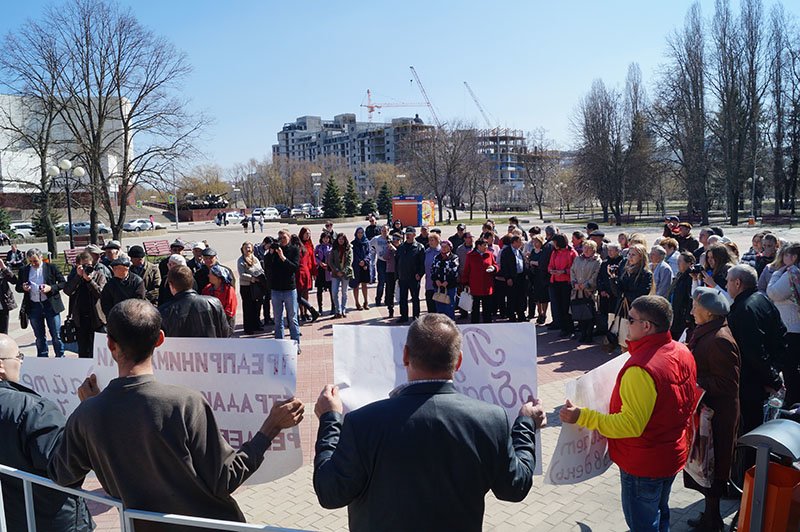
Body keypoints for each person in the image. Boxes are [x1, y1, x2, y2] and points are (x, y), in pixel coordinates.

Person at [48, 299, 304, 532]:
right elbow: (225, 479)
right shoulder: (184, 403)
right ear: (160, 339)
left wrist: (90, 412)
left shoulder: (87, 413)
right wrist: (270, 427)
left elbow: (62, 474)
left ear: (111, 344)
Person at [313, 314, 545, 532]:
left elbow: (330, 493)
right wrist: (525, 424)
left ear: (405, 355)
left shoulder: (362, 423)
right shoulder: (491, 419)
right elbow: (514, 488)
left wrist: (330, 419)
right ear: (459, 361)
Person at [560, 295, 697, 532]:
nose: (625, 322)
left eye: (630, 319)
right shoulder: (681, 350)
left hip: (644, 463)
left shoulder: (642, 368)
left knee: (643, 524)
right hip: (670, 453)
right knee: (660, 512)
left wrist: (582, 416)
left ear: (646, 326)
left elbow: (631, 425)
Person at [0, 335, 93, 531]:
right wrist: (89, 410)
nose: (21, 361)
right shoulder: (33, 410)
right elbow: (68, 470)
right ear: (1, 366)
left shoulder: (28, 409)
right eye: (19, 356)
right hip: (52, 520)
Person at [685, 287, 740, 532]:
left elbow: (728, 384)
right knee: (707, 466)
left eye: (695, 307)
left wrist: (695, 381)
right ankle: (710, 516)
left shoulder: (718, 340)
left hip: (718, 415)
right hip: (708, 412)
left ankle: (713, 521)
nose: (691, 311)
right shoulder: (706, 332)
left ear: (708, 313)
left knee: (714, 465)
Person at [726, 264, 786, 469]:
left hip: (749, 383)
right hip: (759, 379)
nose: (726, 285)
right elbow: (781, 336)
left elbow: (754, 352)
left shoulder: (745, 309)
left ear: (737, 283)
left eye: (727, 281)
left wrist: (772, 379)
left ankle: (746, 479)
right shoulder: (762, 299)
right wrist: (774, 372)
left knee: (748, 432)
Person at [766, 242, 800, 406]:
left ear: (793, 257)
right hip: (795, 325)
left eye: (786, 254)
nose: (782, 257)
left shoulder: (791, 272)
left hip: (792, 326)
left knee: (790, 367)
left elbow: (773, 292)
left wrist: (777, 273)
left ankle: (793, 400)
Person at [16, 248, 66, 357]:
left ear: (41, 258)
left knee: (56, 335)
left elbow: (63, 283)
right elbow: (17, 287)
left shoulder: (51, 267)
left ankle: (60, 356)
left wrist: (51, 288)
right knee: (39, 336)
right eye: (31, 262)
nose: (33, 264)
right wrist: (23, 288)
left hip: (50, 305)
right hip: (34, 305)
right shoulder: (24, 270)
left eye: (35, 261)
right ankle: (42, 358)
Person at [159, 266, 230, 338]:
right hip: (211, 348)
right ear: (192, 281)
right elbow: (225, 332)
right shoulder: (214, 303)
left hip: (180, 349)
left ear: (171, 285)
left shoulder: (164, 311)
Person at [63, 252, 107, 358]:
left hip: (96, 318)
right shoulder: (74, 276)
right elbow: (67, 291)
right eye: (84, 265)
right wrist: (78, 277)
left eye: (90, 265)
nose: (87, 268)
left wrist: (90, 281)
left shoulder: (98, 275)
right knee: (82, 349)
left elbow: (101, 293)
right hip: (80, 318)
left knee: (97, 349)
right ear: (78, 266)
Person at [263, 230, 301, 346]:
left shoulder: (294, 249)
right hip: (276, 289)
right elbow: (267, 266)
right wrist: (270, 252)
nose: (282, 240)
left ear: (289, 237)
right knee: (278, 320)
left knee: (292, 318)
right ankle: (280, 345)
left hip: (289, 289)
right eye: (280, 238)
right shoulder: (274, 250)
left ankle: (295, 344)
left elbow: (294, 267)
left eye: (284, 237)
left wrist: (282, 257)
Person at [610, 243, 653, 324]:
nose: (630, 257)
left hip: (636, 311)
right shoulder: (624, 270)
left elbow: (640, 295)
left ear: (640, 257)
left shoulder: (645, 274)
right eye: (629, 254)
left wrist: (624, 294)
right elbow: (617, 293)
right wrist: (612, 279)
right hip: (621, 308)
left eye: (633, 255)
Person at [570, 239, 601, 342]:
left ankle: (589, 335)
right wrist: (575, 283)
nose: (586, 250)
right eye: (585, 248)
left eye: (589, 248)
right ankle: (582, 334)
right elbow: (572, 271)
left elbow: (596, 275)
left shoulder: (597, 261)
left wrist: (586, 285)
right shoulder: (578, 259)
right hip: (577, 291)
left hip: (589, 292)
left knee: (589, 314)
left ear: (594, 250)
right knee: (580, 313)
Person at [460, 238, 497, 323]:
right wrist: (465, 282)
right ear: (478, 246)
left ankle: (488, 325)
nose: (486, 247)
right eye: (484, 245)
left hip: (487, 286)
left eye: (487, 245)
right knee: (475, 309)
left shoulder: (489, 254)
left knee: (487, 309)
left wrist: (494, 268)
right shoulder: (470, 255)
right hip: (475, 287)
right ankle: (475, 325)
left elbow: (495, 265)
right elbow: (467, 270)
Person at [548, 233, 577, 337]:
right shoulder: (554, 252)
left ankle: (570, 328)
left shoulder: (571, 252)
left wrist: (564, 271)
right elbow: (550, 265)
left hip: (566, 282)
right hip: (555, 281)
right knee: (558, 306)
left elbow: (574, 268)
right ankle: (563, 327)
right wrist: (552, 270)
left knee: (566, 307)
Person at [395, 227, 425, 323]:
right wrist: (397, 276)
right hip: (403, 277)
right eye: (406, 233)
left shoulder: (419, 247)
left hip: (414, 278)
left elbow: (422, 263)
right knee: (403, 298)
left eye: (410, 233)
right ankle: (404, 316)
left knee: (415, 298)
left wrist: (420, 274)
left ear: (414, 235)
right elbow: (397, 262)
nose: (407, 235)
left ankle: (416, 316)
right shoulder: (401, 247)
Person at [238, 241, 267, 334]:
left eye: (249, 247)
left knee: (256, 306)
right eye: (246, 248)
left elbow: (260, 269)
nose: (248, 249)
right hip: (246, 287)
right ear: (242, 249)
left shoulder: (255, 259)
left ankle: (256, 324)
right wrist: (252, 278)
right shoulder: (241, 260)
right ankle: (248, 328)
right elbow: (242, 274)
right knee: (248, 308)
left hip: (256, 287)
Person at [667, 252, 697, 341]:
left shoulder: (690, 278)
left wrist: (687, 317)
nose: (677, 263)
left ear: (689, 263)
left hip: (682, 318)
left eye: (680, 261)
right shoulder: (679, 275)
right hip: (674, 313)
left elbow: (690, 298)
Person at [201, 264, 237, 336]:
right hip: (211, 321)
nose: (208, 276)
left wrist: (220, 319)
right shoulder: (207, 289)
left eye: (211, 274)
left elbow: (230, 308)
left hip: (226, 320)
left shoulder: (229, 289)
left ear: (218, 278)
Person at [499, 235, 527, 322]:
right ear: (514, 242)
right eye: (519, 242)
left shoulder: (519, 251)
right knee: (511, 298)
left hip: (520, 277)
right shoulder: (506, 252)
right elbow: (504, 266)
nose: (521, 243)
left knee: (521, 297)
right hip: (512, 278)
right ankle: (511, 315)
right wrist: (508, 278)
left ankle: (521, 315)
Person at [431, 239, 459, 319]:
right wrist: (436, 280)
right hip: (438, 286)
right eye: (442, 247)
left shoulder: (454, 257)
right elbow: (432, 270)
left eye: (445, 247)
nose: (443, 248)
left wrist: (447, 282)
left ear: (450, 248)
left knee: (449, 307)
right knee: (440, 307)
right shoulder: (436, 257)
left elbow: (454, 271)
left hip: (450, 286)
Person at [525, 234, 549, 324]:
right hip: (534, 276)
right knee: (536, 297)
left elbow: (542, 263)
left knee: (544, 297)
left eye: (537, 242)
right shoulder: (532, 251)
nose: (535, 244)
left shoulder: (543, 251)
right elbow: (530, 262)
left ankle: (544, 313)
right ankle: (539, 313)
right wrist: (528, 260)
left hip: (542, 276)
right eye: (534, 242)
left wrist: (532, 262)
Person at [296, 228, 319, 322]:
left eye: (309, 234)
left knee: (306, 293)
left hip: (308, 272)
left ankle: (306, 312)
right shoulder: (298, 245)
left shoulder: (310, 244)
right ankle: (301, 313)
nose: (308, 235)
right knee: (299, 293)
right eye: (306, 234)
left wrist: (314, 272)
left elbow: (313, 259)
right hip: (300, 272)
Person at [330, 233, 353, 319]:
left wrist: (343, 271)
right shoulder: (334, 249)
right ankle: (338, 310)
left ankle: (343, 310)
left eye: (342, 239)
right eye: (339, 239)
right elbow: (330, 261)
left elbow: (349, 262)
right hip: (336, 274)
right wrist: (336, 271)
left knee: (344, 293)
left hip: (345, 274)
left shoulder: (348, 249)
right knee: (334, 292)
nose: (341, 241)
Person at [351, 227, 371, 311]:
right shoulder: (353, 243)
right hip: (356, 266)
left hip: (365, 266)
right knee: (356, 285)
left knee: (364, 284)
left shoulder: (366, 242)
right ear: (356, 233)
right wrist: (359, 262)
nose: (360, 234)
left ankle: (366, 302)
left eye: (361, 233)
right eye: (358, 232)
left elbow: (369, 253)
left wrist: (365, 261)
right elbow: (352, 255)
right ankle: (357, 303)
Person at [314, 232, 335, 314]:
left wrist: (329, 265)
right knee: (319, 290)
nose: (326, 240)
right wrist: (319, 263)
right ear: (321, 238)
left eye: (327, 238)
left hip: (329, 271)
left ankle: (333, 307)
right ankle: (320, 308)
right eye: (324, 238)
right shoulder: (318, 247)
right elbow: (314, 256)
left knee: (332, 290)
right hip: (320, 270)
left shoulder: (332, 247)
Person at [370, 225, 390, 306]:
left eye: (386, 231)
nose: (384, 232)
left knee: (389, 282)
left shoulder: (391, 239)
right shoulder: (376, 239)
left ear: (388, 231)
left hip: (389, 263)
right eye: (382, 231)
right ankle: (378, 299)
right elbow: (369, 245)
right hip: (381, 262)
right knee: (381, 282)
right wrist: (373, 253)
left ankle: (387, 300)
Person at [423, 232, 442, 314]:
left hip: (439, 283)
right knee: (430, 306)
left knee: (439, 306)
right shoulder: (426, 252)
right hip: (429, 283)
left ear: (437, 241)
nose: (430, 242)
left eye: (432, 240)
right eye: (429, 240)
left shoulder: (442, 251)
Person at [384, 233, 401, 319]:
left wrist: (395, 250)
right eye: (394, 239)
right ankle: (390, 309)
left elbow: (400, 256)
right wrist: (389, 249)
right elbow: (385, 257)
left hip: (400, 272)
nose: (396, 241)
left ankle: (403, 312)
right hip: (390, 271)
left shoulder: (402, 248)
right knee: (390, 291)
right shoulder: (389, 247)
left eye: (397, 239)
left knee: (401, 291)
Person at [0, 257, 18, 334]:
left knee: (3, 331)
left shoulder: (3, 272)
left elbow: (14, 280)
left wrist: (4, 267)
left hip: (3, 304)